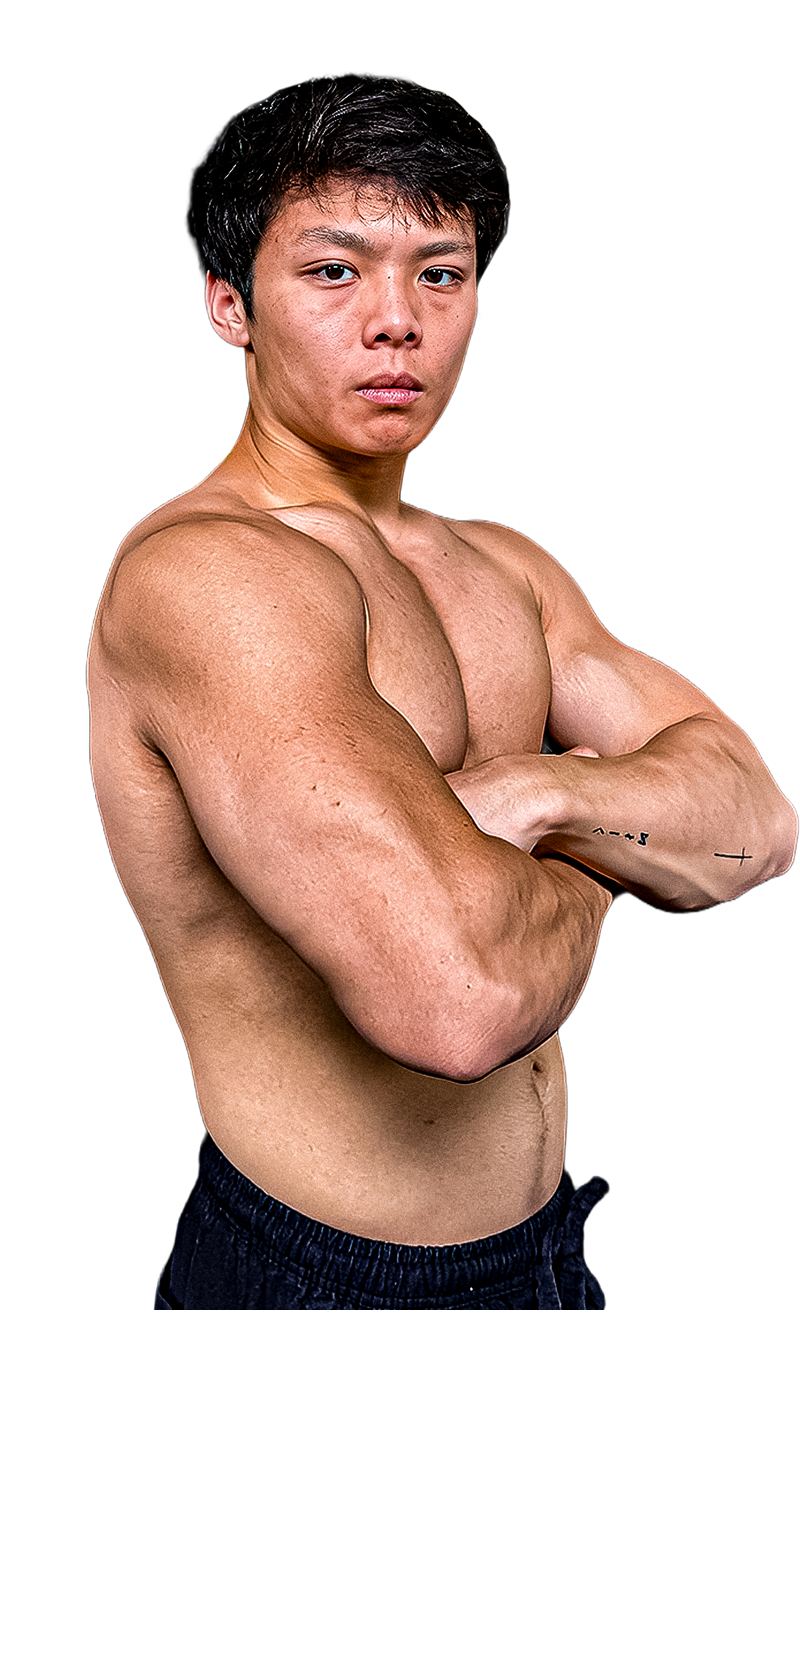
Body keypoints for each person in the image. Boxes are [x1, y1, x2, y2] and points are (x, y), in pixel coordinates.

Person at [87, 71, 796, 1310]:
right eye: (333, 271)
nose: (396, 321)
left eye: (440, 273)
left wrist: (532, 797)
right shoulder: (208, 579)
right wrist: (616, 848)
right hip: (322, 1280)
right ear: (227, 303)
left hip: (546, 1253)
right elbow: (456, 1003)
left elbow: (760, 824)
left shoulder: (503, 566)